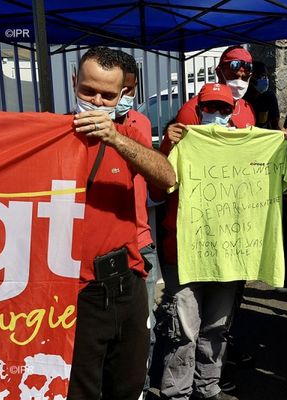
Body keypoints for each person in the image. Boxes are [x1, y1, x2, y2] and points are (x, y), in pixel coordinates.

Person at [68, 46, 175, 400]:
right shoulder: (55, 137)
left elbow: (166, 175)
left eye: (107, 95)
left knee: (129, 384)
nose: (97, 102)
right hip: (77, 289)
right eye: (89, 91)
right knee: (81, 388)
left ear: (122, 95)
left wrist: (115, 137)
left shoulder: (129, 132)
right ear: (74, 83)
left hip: (127, 280)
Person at [153, 82, 244, 400]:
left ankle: (208, 388)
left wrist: (280, 141)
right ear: (198, 110)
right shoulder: (179, 143)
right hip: (184, 254)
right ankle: (176, 393)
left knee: (216, 329)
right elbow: (155, 190)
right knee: (183, 333)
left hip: (228, 255)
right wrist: (166, 147)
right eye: (210, 108)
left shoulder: (242, 146)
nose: (216, 114)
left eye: (224, 109)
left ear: (232, 113)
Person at [114, 50, 163, 395]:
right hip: (98, 245)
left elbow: (158, 175)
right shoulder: (75, 125)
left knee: (144, 326)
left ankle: (140, 388)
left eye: (129, 90)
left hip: (140, 240)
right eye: (117, 90)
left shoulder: (140, 124)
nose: (120, 98)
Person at [246, 61, 281, 129]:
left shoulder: (269, 96)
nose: (265, 79)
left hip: (264, 136)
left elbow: (275, 123)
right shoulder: (243, 98)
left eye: (266, 76)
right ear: (251, 78)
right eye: (261, 76)